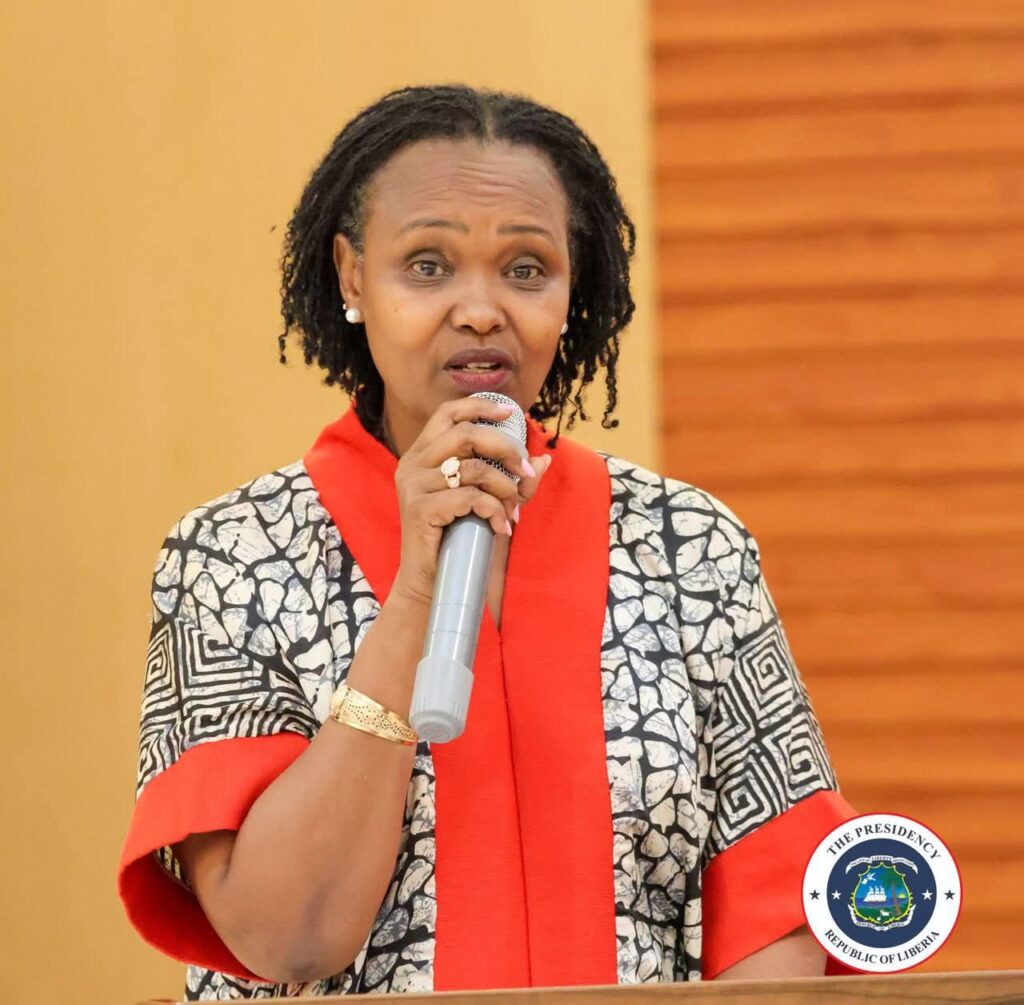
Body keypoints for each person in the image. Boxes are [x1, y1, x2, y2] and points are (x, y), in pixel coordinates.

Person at [118, 84, 858, 1001]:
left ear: (572, 288)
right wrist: (413, 599)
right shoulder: (236, 558)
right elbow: (285, 935)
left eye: (526, 268)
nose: (479, 310)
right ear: (352, 276)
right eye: (427, 265)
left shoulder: (690, 548)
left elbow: (775, 906)